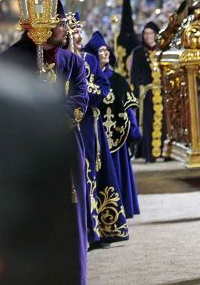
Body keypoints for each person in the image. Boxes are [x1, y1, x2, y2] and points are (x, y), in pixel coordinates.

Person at [0, 10, 89, 284]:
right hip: (25, 149)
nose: (66, 30)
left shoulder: (72, 60)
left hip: (65, 145)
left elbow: (80, 98)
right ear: (44, 26)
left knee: (69, 216)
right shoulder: (9, 60)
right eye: (61, 24)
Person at [79, 28, 129, 246]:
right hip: (69, 126)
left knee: (96, 174)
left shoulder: (88, 59)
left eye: (78, 31)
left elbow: (104, 87)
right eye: (72, 31)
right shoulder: (59, 59)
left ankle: (100, 230)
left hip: (91, 124)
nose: (76, 35)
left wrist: (85, 91)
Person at [95, 32, 141, 219]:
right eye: (100, 51)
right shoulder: (89, 80)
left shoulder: (118, 80)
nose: (105, 54)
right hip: (99, 138)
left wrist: (134, 129)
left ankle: (123, 208)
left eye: (106, 50)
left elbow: (129, 108)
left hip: (118, 135)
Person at [127, 21, 161, 162]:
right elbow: (135, 74)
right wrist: (139, 89)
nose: (148, 36)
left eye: (150, 33)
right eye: (145, 34)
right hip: (146, 93)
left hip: (161, 92)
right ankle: (148, 153)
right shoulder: (138, 52)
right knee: (146, 121)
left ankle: (162, 152)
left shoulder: (161, 50)